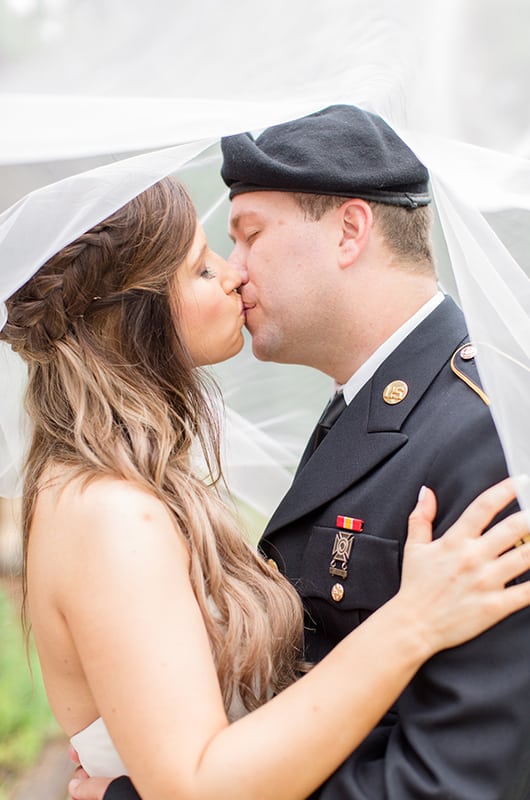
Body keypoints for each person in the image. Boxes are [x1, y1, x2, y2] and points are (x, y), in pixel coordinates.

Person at [1, 174, 530, 800]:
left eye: (245, 240)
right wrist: (410, 622)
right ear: (130, 316)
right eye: (201, 270)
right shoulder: (110, 513)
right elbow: (196, 783)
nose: (232, 276)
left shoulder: (116, 488)